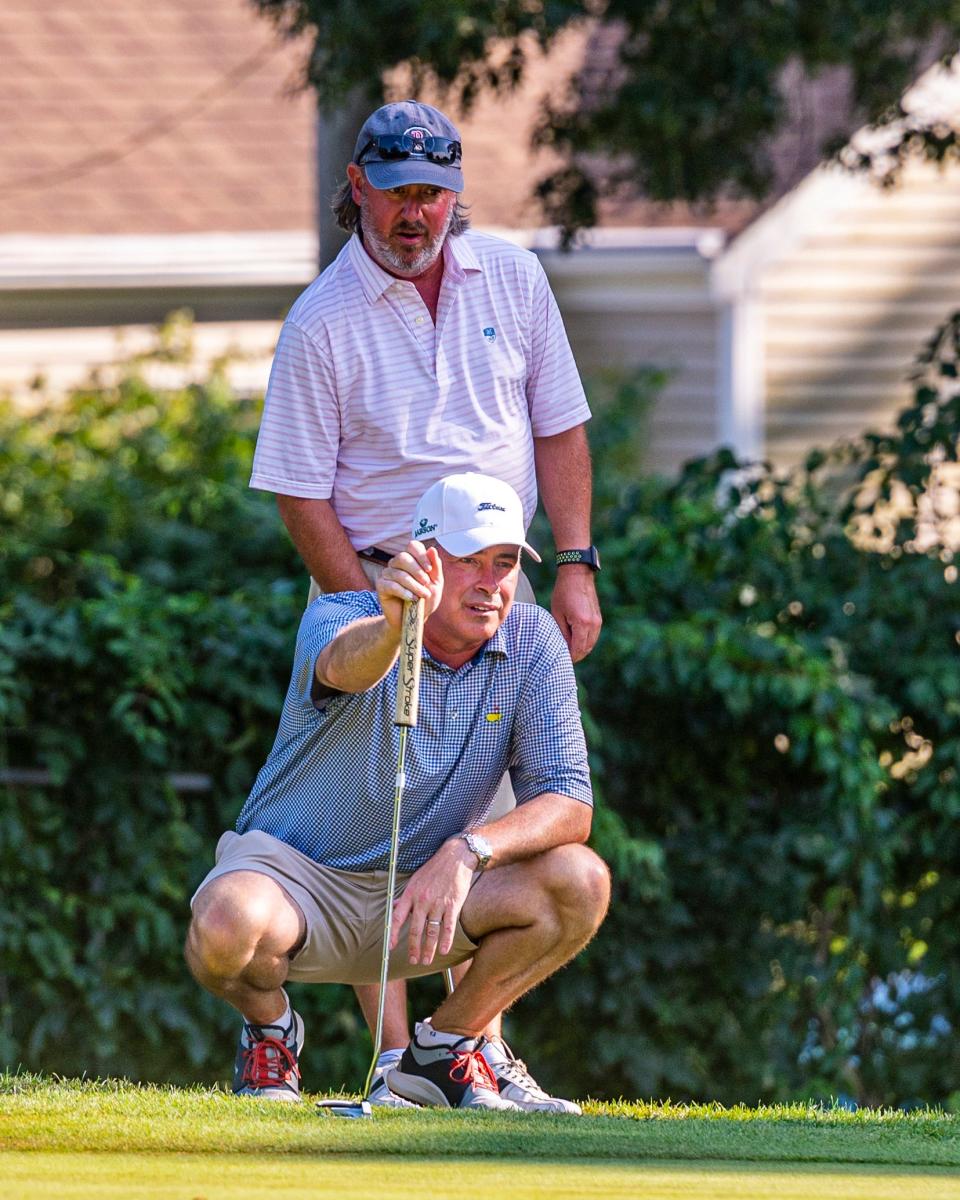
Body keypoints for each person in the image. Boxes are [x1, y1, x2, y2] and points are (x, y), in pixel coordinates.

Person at [249, 98, 603, 1107]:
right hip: (388, 591)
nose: (418, 215)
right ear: (357, 185)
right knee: (387, 835)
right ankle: (398, 1061)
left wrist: (572, 564)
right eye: (400, 193)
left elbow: (560, 430)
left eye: (436, 195)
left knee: (492, 829)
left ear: (457, 194)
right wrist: (370, 611)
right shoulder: (322, 321)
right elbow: (298, 489)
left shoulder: (515, 278)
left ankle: (468, 1050)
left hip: (499, 576)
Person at [185, 473, 610, 1111]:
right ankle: (270, 1027)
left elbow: (569, 802)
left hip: (423, 899)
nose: (491, 584)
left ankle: (441, 1052)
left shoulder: (533, 640)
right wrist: (393, 628)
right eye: (470, 562)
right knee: (224, 923)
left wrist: (470, 850)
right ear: (425, 559)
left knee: (580, 878)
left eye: (504, 563)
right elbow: (343, 665)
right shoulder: (345, 613)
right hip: (300, 881)